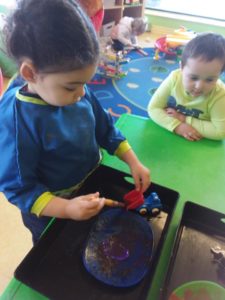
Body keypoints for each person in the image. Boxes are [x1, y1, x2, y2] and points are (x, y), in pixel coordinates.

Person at [0, 0, 150, 244]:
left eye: (85, 83)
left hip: (89, 184)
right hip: (50, 211)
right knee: (55, 250)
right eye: (71, 86)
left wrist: (133, 161)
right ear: (30, 74)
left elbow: (105, 129)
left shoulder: (75, 90)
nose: (81, 94)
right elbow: (20, 188)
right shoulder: (17, 121)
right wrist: (67, 209)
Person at [148, 33, 225, 141]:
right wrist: (177, 126)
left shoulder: (220, 94)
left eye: (209, 79)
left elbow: (220, 132)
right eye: (193, 77)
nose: (199, 87)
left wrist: (182, 118)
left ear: (219, 75)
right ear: (182, 68)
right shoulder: (175, 78)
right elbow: (153, 108)